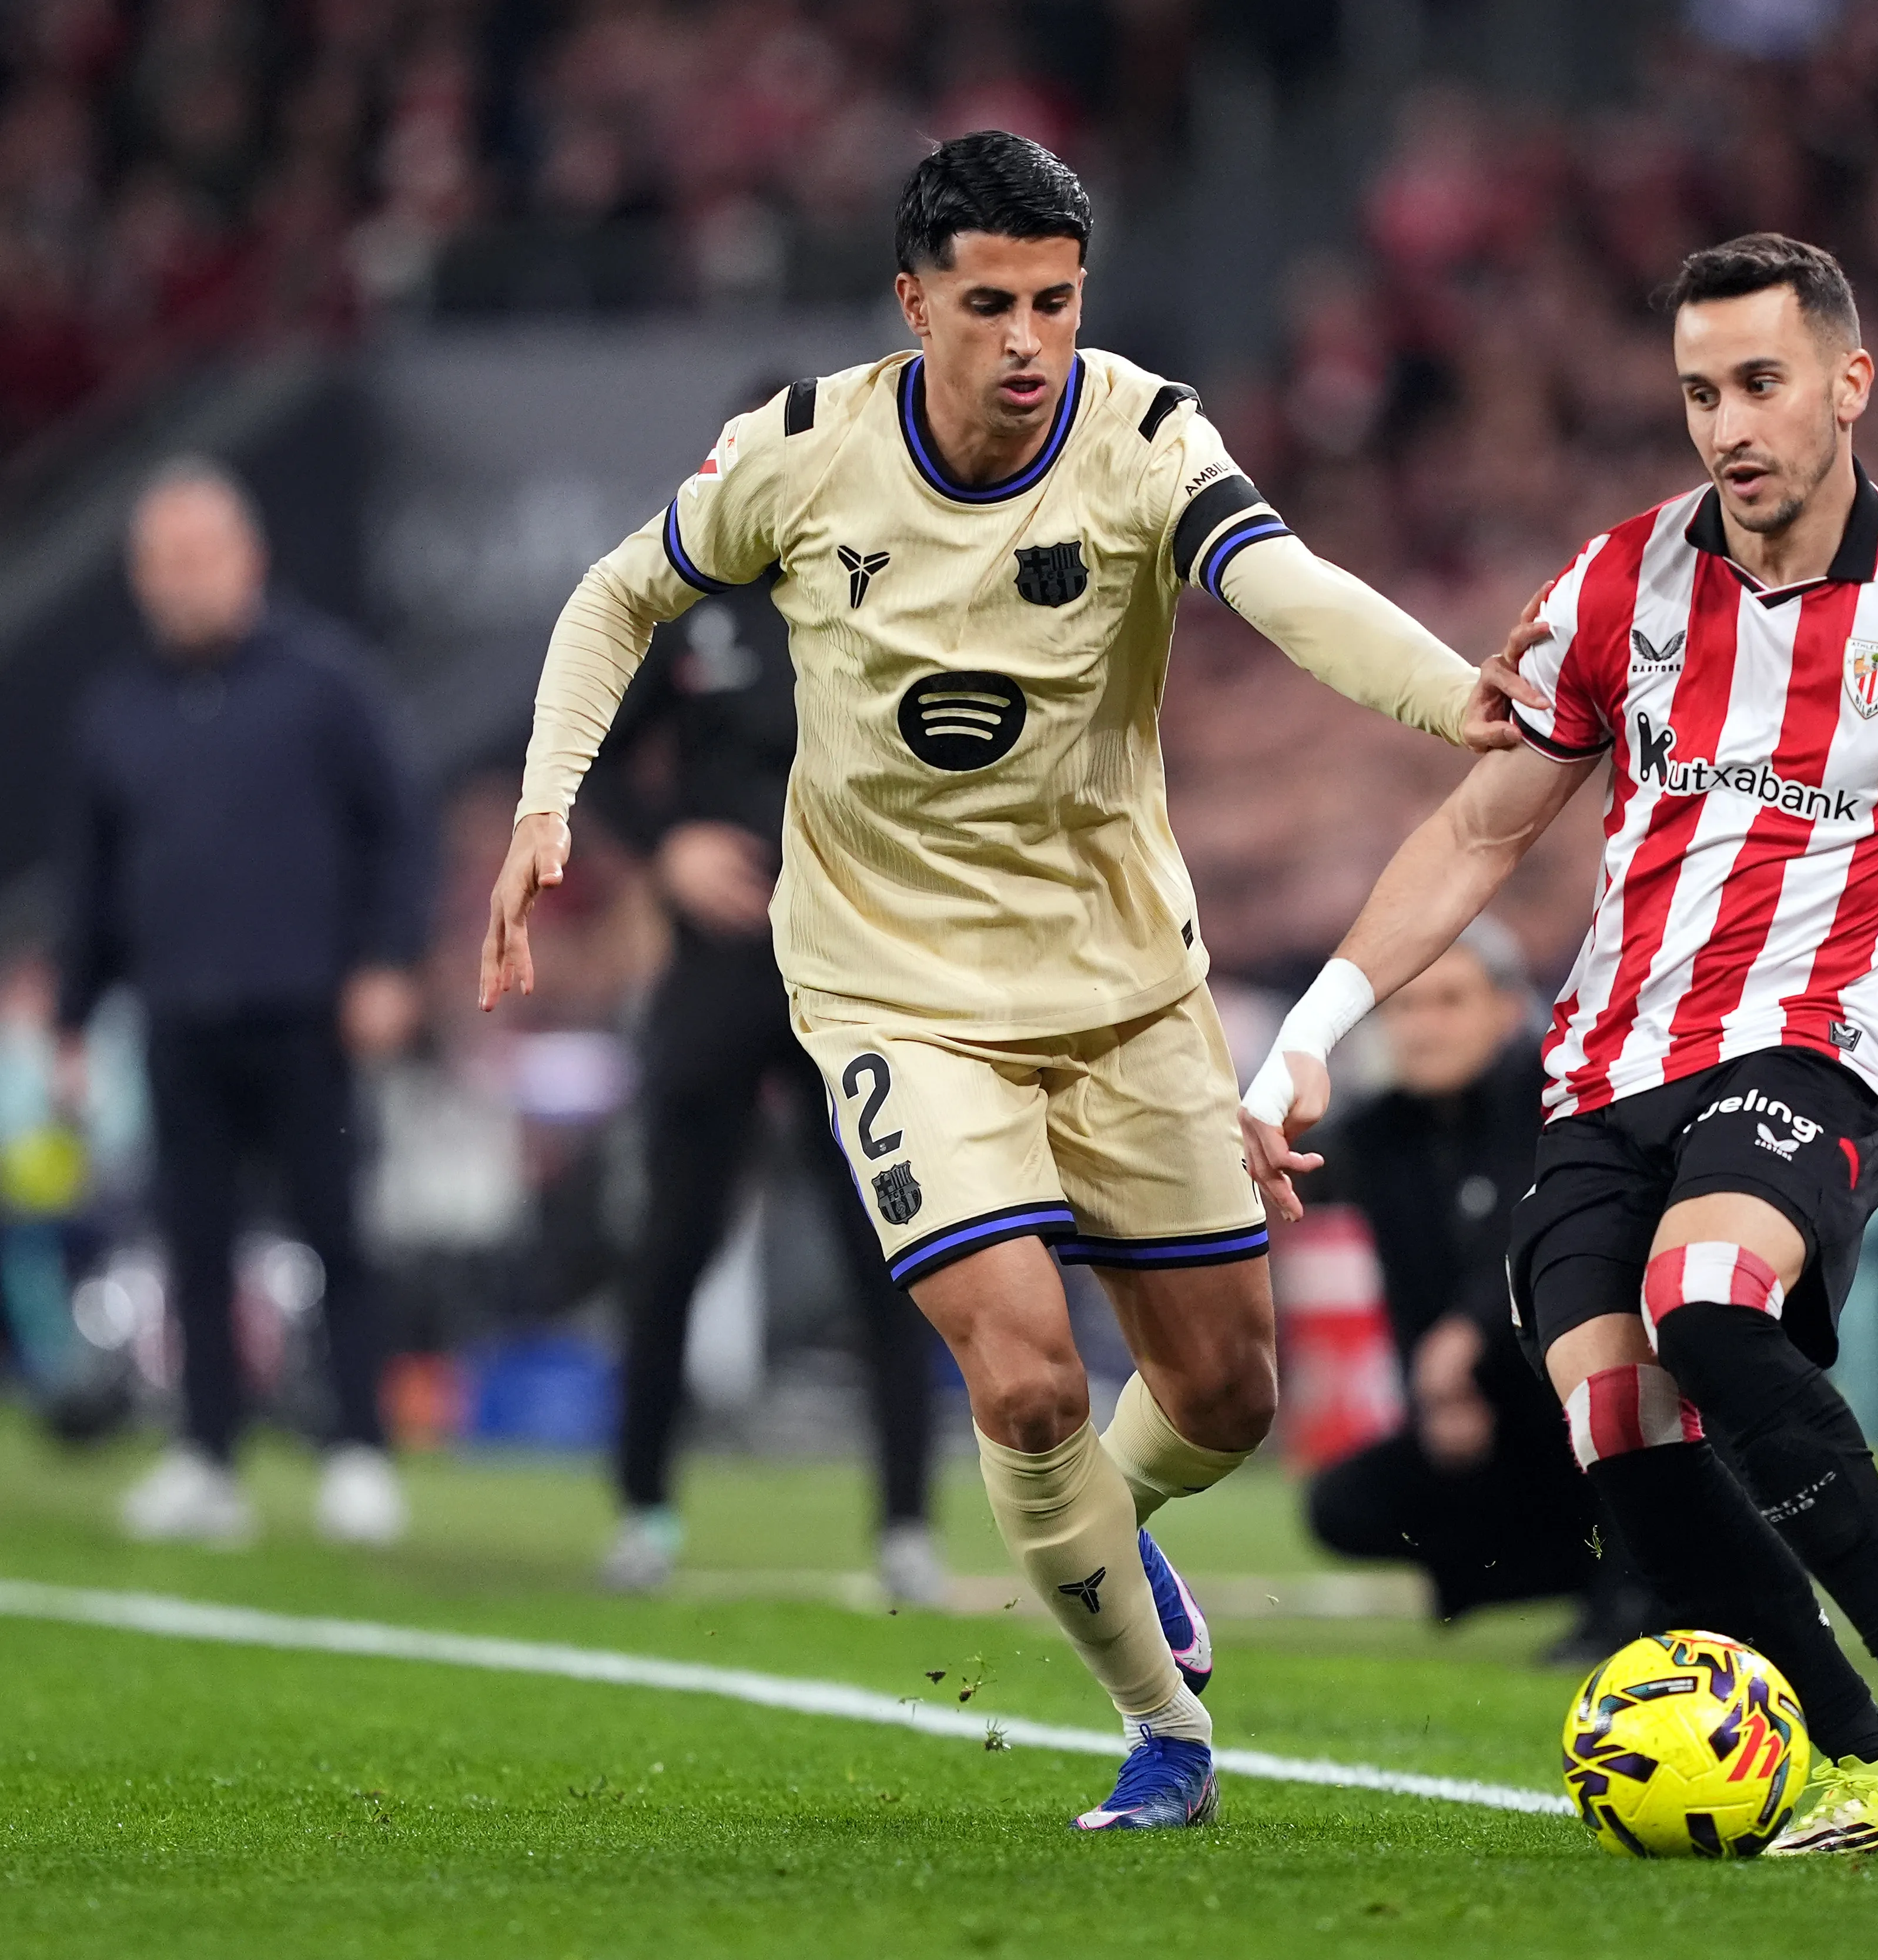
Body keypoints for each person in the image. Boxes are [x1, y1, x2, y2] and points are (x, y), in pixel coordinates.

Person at [480, 132, 1542, 1832]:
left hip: (1122, 983)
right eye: (989, 304)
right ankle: (1160, 1726)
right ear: (915, 304)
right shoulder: (803, 453)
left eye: (1054, 300)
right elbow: (620, 594)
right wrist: (550, 802)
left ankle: (1114, 1533)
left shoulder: (1139, 433)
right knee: (1031, 1375)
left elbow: (1281, 587)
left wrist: (1447, 697)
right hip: (891, 993)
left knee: (1224, 1394)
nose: (1028, 337)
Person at [1244, 233, 1878, 1858]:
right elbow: (1479, 828)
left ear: (1848, 382)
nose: (1726, 424)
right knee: (1612, 1417)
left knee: (1702, 1298)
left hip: (1811, 1045)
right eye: (1699, 391)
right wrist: (1307, 1033)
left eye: (1759, 384)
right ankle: (1861, 1767)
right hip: (1604, 1063)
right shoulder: (1613, 583)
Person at [56, 458, 427, 1547]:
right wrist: (75, 1018)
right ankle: (206, 1457)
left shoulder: (326, 685)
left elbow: (397, 833)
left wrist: (389, 962)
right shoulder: (116, 710)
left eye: (197, 557)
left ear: (248, 560)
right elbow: (93, 881)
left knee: (338, 1237)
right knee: (193, 1246)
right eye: (161, 563)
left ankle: (359, 1451)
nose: (180, 581)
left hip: (310, 1009)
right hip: (179, 1013)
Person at [580, 512, 942, 1604]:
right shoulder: (696, 612)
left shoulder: (901, 599)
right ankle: (643, 1509)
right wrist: (665, 849)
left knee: (896, 1246)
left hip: (855, 978)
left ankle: (907, 1526)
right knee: (673, 1246)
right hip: (722, 977)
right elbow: (587, 750)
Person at [1298, 917, 1653, 1656]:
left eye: (1449, 1001)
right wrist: (1432, 1395)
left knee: (1611, 1394)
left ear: (1507, 1006)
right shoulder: (1378, 1135)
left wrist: (1463, 1337)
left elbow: (1545, 1230)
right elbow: (1405, 1291)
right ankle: (1563, 1574)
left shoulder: (1568, 1104)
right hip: (1487, 1413)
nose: (1423, 1028)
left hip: (1593, 1386)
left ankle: (1635, 1592)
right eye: (1405, 1007)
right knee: (1346, 1504)